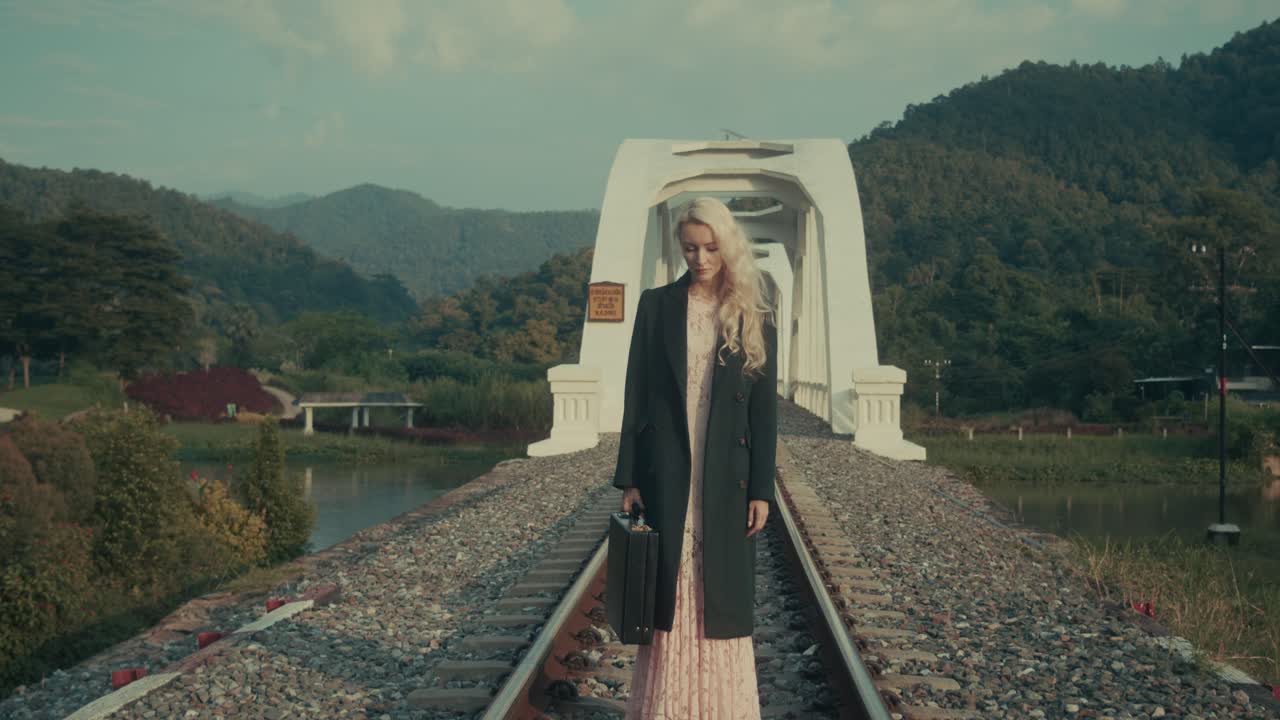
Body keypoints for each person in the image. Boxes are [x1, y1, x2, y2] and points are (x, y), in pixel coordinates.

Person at [612, 196, 778, 718]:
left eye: (710, 248)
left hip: (726, 474)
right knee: (672, 589)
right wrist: (630, 477)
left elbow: (764, 409)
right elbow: (635, 392)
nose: (700, 259)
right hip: (668, 470)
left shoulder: (752, 309)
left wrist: (760, 489)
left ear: (727, 246)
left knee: (720, 593)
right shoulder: (655, 305)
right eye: (690, 248)